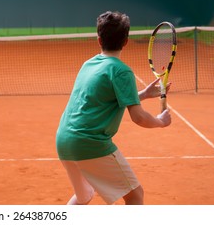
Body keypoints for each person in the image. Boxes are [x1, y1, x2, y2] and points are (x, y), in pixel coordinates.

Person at [55, 11, 171, 205]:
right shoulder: (121, 70)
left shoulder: (89, 64)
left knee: (84, 195)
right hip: (89, 143)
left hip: (64, 140)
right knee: (135, 196)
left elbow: (101, 99)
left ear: (99, 40)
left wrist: (142, 94)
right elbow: (139, 118)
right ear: (126, 41)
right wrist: (160, 122)